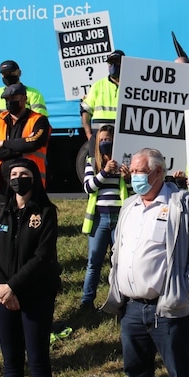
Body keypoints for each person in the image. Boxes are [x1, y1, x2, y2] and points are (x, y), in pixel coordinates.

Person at [102, 148, 189, 377]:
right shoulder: (129, 205)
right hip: (131, 310)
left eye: (140, 172)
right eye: (133, 171)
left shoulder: (182, 203)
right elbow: (118, 249)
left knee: (179, 376)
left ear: (158, 172)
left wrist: (184, 290)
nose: (134, 177)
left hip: (167, 310)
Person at [0, 158, 61, 377]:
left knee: (38, 360)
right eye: (13, 173)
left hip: (36, 294)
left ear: (34, 178)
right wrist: (2, 288)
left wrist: (14, 287)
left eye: (24, 173)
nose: (18, 178)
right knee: (11, 362)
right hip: (2, 296)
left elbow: (42, 256)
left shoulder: (46, 212)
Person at [80, 125, 127, 310]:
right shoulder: (92, 162)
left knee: (119, 261)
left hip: (120, 217)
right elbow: (88, 187)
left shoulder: (124, 161)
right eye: (102, 140)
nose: (105, 143)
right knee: (94, 261)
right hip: (99, 218)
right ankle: (87, 300)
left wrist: (128, 178)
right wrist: (105, 171)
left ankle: (120, 298)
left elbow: (132, 191)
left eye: (108, 139)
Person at [0, 83, 50, 210]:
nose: (10, 102)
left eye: (14, 98)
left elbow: (34, 143)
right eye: (7, 100)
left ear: (24, 99)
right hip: (1, 181)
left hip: (28, 178)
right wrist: (17, 149)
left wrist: (3, 144)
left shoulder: (39, 120)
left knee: (31, 211)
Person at [0, 60, 49, 129]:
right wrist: (3, 129)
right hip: (1, 136)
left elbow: (39, 117)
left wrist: (17, 130)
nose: (8, 75)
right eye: (4, 74)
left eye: (11, 72)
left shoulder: (34, 93)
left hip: (25, 135)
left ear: (19, 73)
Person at [81, 51, 124, 139]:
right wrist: (89, 135)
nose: (113, 66)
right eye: (110, 63)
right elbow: (85, 111)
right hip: (100, 136)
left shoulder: (132, 85)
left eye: (116, 62)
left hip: (122, 135)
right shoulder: (98, 85)